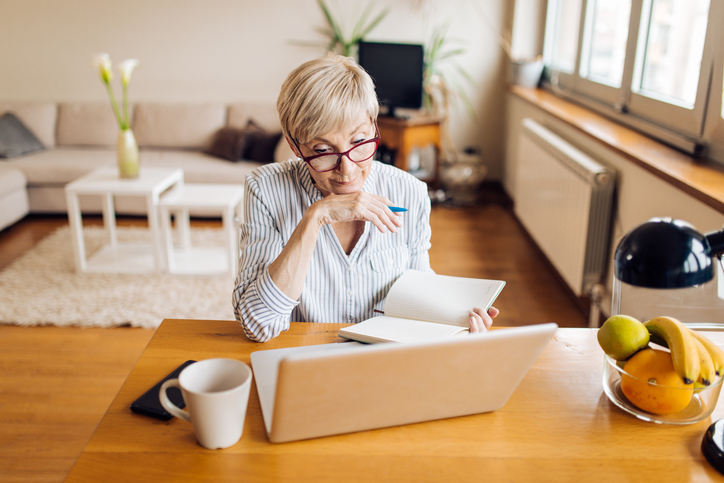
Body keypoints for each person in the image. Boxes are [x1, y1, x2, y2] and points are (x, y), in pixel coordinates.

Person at [232, 53, 498, 342]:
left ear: (374, 126)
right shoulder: (264, 191)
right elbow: (258, 325)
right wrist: (315, 217)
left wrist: (458, 324)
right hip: (305, 360)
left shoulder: (410, 193)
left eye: (359, 142)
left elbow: (418, 298)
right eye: (322, 150)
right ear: (295, 146)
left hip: (384, 362)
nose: (347, 170)